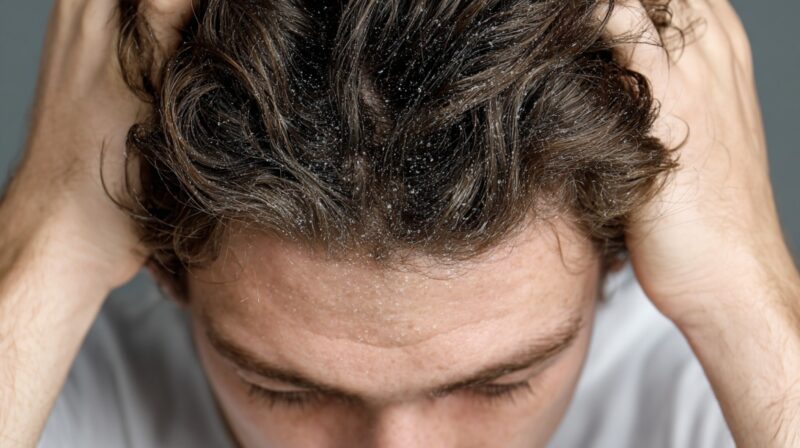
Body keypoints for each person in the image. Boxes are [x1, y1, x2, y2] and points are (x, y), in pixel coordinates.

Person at [0, 0, 797, 447]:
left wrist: (745, 298)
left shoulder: (712, 392)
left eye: (500, 383)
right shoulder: (65, 376)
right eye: (281, 389)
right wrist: (47, 250)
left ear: (615, 264)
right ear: (163, 272)